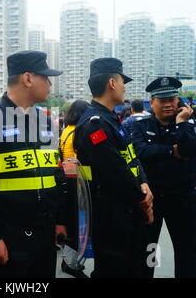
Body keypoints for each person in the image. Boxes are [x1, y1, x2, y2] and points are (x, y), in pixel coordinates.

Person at [0, 50, 66, 278]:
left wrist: (60, 220)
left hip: (45, 237)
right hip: (9, 240)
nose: (50, 84)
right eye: (46, 78)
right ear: (28, 78)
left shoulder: (46, 122)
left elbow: (55, 175)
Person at [73, 58, 153, 278]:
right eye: (122, 81)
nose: (124, 87)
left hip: (128, 211)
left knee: (137, 266)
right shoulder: (95, 124)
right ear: (111, 83)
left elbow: (131, 158)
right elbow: (115, 173)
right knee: (114, 270)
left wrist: (144, 182)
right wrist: (143, 199)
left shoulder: (112, 119)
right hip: (113, 218)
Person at [130, 77, 196, 278]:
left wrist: (181, 124)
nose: (168, 104)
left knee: (186, 250)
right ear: (152, 102)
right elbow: (139, 150)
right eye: (162, 100)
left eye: (172, 99)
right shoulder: (139, 125)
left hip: (182, 198)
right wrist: (172, 152)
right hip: (151, 199)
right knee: (148, 248)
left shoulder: (188, 124)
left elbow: (193, 149)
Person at [58, 99, 90, 278]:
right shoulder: (79, 131)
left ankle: (69, 261)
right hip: (76, 183)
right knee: (76, 225)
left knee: (71, 224)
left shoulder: (66, 131)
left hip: (66, 181)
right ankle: (69, 263)